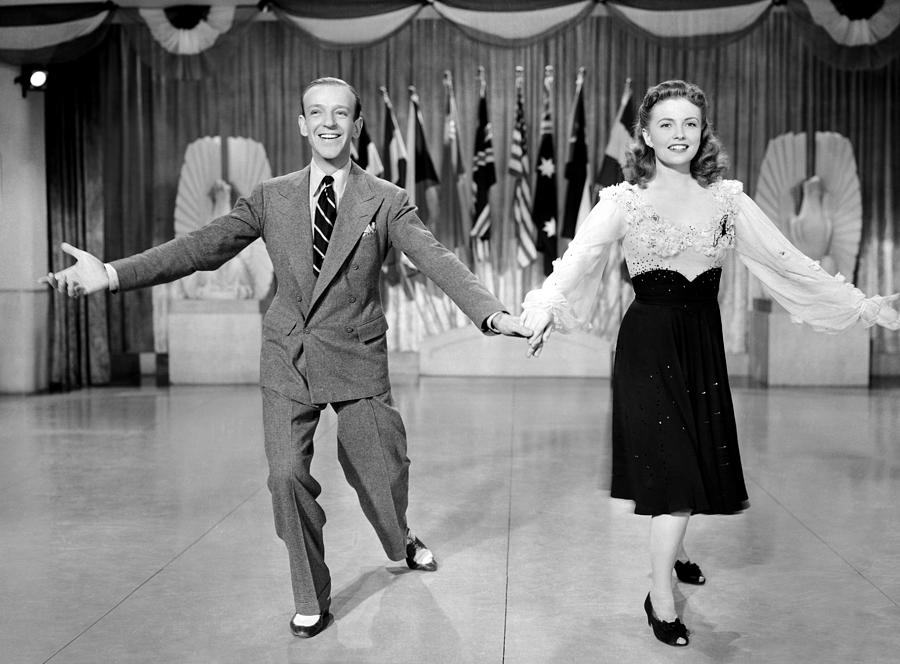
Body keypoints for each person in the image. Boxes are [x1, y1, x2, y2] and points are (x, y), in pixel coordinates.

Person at [41, 76, 532, 639]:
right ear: (302, 124)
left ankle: (399, 539)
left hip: (356, 358)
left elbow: (437, 259)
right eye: (317, 113)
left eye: (341, 113)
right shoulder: (271, 196)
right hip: (287, 359)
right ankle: (310, 595)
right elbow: (202, 247)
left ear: (357, 124)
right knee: (286, 477)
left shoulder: (386, 200)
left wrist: (492, 314)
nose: (328, 123)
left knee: (381, 474)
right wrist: (109, 273)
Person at [520, 79, 900, 647]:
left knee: (692, 454)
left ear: (703, 133)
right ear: (645, 134)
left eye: (689, 124)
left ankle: (678, 550)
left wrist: (863, 306)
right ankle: (660, 597)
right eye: (666, 124)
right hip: (647, 346)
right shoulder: (621, 200)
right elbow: (580, 259)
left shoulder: (728, 198)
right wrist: (546, 305)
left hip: (702, 343)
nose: (679, 135)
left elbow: (787, 261)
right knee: (671, 468)